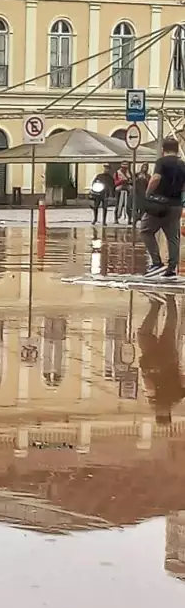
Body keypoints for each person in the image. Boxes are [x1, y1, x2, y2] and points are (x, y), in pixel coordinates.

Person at [139, 136, 185, 277]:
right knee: (172, 237)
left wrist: (148, 193)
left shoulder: (161, 162)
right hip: (176, 205)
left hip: (159, 205)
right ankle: (171, 268)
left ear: (163, 150)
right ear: (177, 150)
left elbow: (156, 178)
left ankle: (156, 262)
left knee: (146, 230)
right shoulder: (183, 164)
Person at [137, 294, 183, 425]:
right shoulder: (154, 401)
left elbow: (183, 380)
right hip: (153, 360)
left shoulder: (176, 399)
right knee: (144, 334)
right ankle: (156, 305)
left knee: (169, 328)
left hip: (169, 359)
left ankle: (169, 299)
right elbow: (148, 384)